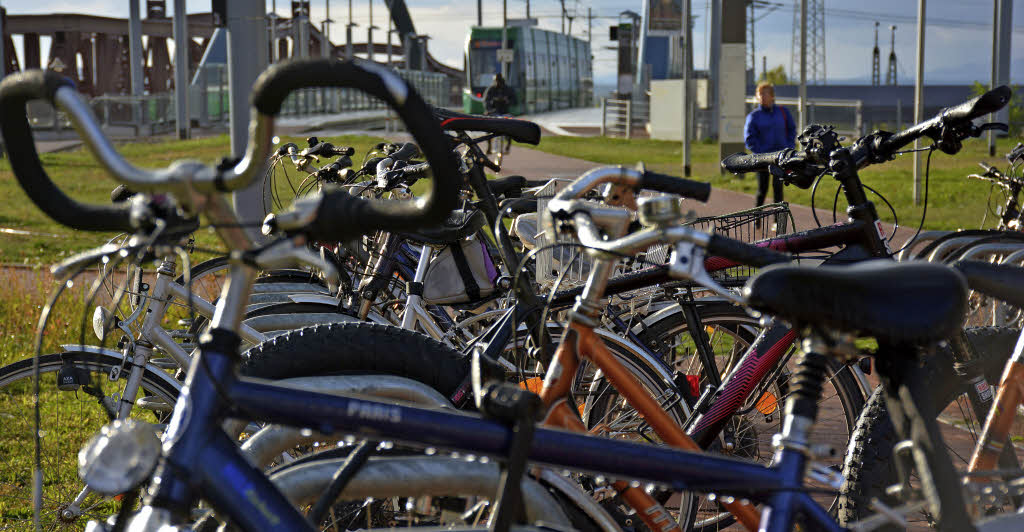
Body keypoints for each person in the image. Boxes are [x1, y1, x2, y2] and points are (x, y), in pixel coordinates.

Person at [743, 81, 796, 207]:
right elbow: (749, 139)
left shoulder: (783, 112)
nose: (761, 97)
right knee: (762, 190)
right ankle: (757, 221)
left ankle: (777, 223)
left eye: (764, 94)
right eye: (759, 94)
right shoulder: (754, 116)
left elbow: (792, 130)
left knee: (778, 189)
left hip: (780, 158)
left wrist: (789, 148)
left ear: (772, 96)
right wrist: (761, 153)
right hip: (763, 159)